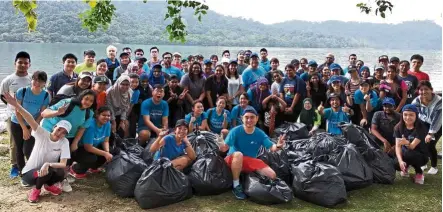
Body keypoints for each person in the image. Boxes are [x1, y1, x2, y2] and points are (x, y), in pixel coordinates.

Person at [2, 92, 71, 203]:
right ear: (54, 127)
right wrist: (17, 105)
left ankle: (48, 185)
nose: (60, 133)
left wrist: (48, 164)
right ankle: (36, 190)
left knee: (60, 172)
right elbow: (30, 119)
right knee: (45, 172)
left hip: (46, 170)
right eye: (59, 129)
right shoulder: (42, 134)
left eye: (64, 132)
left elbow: (63, 163)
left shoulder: (64, 142)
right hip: (30, 174)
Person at [219, 107, 286, 200]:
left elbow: (272, 147)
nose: (249, 120)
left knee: (272, 175)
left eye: (252, 117)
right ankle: (236, 185)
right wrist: (220, 144)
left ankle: (246, 179)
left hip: (249, 161)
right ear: (242, 118)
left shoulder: (260, 133)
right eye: (246, 117)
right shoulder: (235, 131)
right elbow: (224, 149)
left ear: (257, 118)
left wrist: (278, 145)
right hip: (233, 159)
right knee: (239, 154)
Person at [10, 71, 50, 175]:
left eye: (40, 81)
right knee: (19, 148)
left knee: (28, 149)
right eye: (35, 79)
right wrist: (24, 128)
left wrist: (32, 127)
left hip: (33, 124)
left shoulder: (45, 95)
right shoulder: (22, 91)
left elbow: (42, 113)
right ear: (31, 80)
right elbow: (17, 111)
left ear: (44, 83)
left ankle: (31, 169)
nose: (37, 82)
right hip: (17, 123)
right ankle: (22, 171)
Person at [0, 51, 32, 178]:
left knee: (30, 141)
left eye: (26, 63)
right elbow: (3, 96)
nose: (23, 65)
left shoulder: (32, 79)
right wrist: (13, 107)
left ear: (29, 64)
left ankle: (29, 164)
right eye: (20, 62)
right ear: (15, 64)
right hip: (12, 116)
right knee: (14, 143)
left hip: (29, 116)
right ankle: (15, 166)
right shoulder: (8, 80)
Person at [69, 106, 112, 179]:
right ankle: (75, 169)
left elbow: (106, 140)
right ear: (97, 115)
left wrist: (107, 152)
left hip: (94, 146)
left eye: (108, 115)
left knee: (110, 151)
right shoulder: (91, 125)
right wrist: (105, 153)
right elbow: (88, 147)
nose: (106, 117)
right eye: (104, 115)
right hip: (81, 148)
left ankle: (93, 167)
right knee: (91, 158)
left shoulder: (108, 124)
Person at [394, 104, 429, 184]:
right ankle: (405, 167)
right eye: (405, 114)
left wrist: (406, 142)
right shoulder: (398, 127)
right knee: (395, 163)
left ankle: (419, 172)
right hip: (406, 152)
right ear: (402, 115)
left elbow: (412, 146)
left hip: (421, 155)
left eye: (411, 115)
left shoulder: (421, 127)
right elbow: (397, 146)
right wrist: (400, 162)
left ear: (416, 115)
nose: (408, 117)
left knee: (410, 155)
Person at [412, 81, 442, 175]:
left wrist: (430, 134)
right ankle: (424, 162)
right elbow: (412, 112)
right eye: (421, 90)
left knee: (430, 144)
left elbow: (437, 120)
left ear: (431, 90)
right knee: (420, 142)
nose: (423, 92)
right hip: (424, 122)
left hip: (439, 124)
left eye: (426, 89)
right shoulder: (417, 100)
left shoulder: (439, 102)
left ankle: (434, 166)